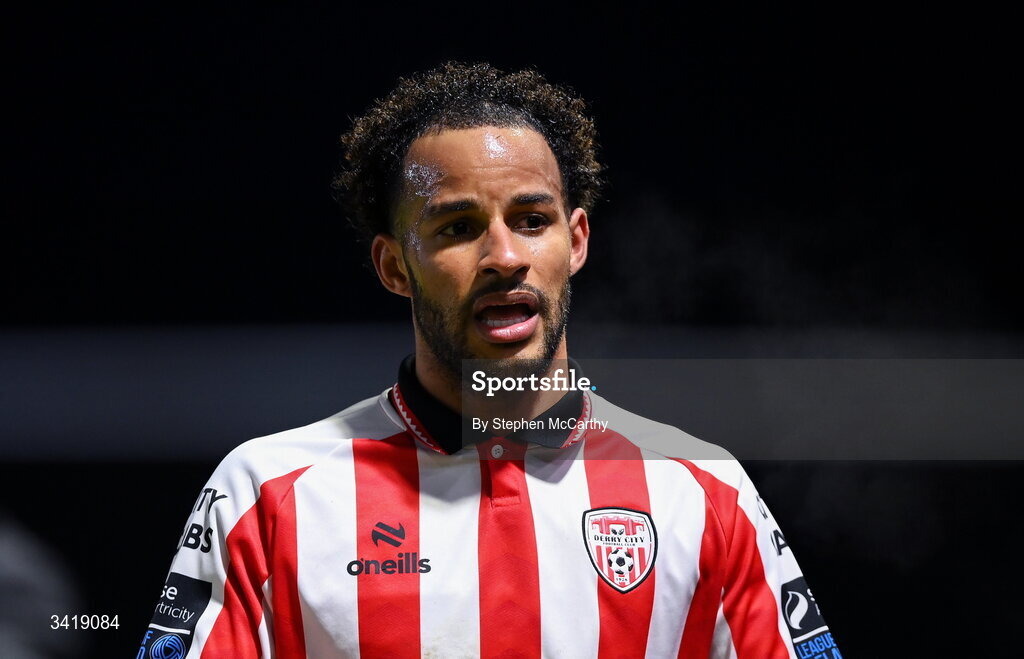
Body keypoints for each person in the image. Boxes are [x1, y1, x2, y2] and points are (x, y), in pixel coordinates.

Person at [139, 62, 841, 659]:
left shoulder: (705, 490)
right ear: (393, 265)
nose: (505, 257)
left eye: (531, 221)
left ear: (577, 241)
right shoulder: (266, 493)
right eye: (459, 227)